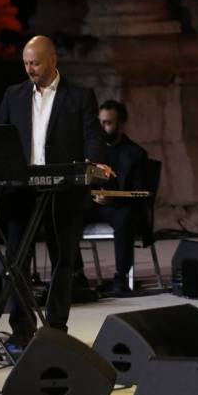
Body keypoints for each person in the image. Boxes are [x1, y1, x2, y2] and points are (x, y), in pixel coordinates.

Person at [0, 35, 108, 350]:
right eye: (26, 63)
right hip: (22, 189)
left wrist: (95, 162)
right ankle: (21, 330)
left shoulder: (80, 95)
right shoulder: (13, 94)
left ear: (52, 60)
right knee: (17, 260)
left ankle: (57, 328)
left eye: (35, 63)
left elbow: (92, 135)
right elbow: (0, 134)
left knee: (63, 260)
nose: (29, 69)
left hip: (63, 189)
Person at [78, 99, 152, 296]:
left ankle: (121, 278)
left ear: (121, 124)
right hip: (92, 206)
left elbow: (140, 194)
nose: (102, 128)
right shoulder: (90, 151)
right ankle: (76, 276)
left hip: (119, 207)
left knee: (125, 217)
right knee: (66, 214)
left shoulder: (135, 153)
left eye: (108, 123)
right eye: (100, 122)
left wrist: (110, 199)